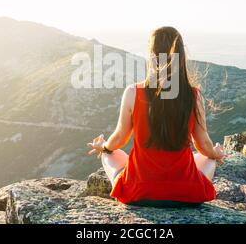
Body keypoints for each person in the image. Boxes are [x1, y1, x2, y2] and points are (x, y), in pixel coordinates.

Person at [88, 26, 226, 206]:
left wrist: (103, 147)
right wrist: (216, 153)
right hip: (186, 195)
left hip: (140, 193)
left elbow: (120, 138)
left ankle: (124, 177)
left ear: (152, 56)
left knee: (111, 154)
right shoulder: (193, 95)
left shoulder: (133, 92)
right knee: (208, 158)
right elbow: (204, 145)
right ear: (181, 56)